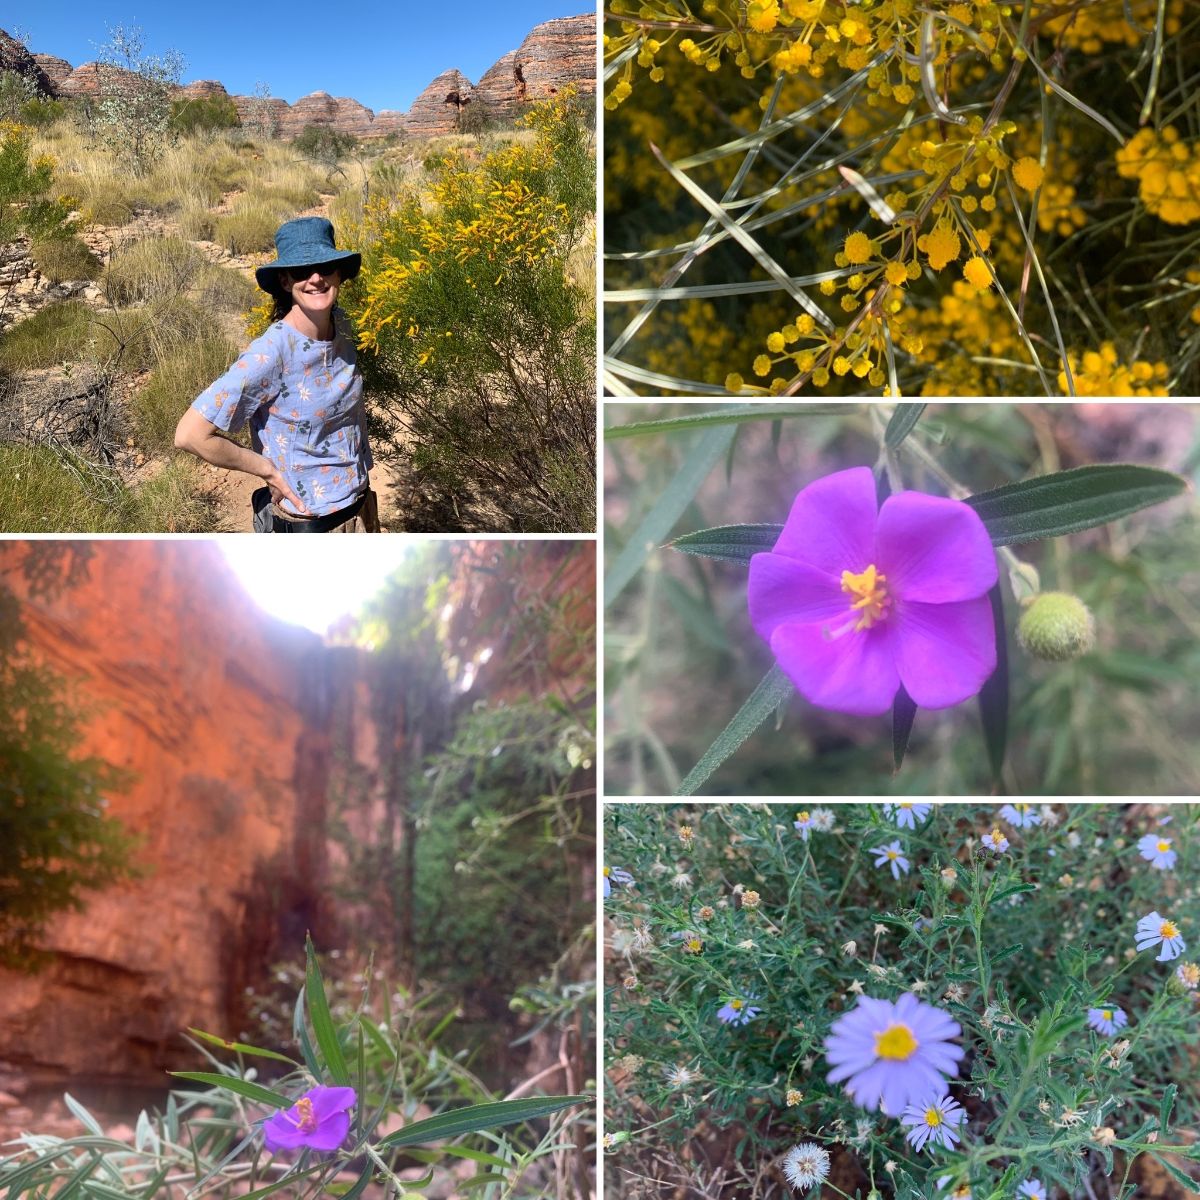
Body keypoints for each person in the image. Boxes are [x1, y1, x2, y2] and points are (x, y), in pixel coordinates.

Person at [174, 216, 381, 532]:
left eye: (325, 267)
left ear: (339, 274)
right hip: (312, 524)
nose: (315, 278)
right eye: (301, 271)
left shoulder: (345, 326)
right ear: (286, 282)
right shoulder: (272, 352)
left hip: (360, 505)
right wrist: (267, 471)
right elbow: (190, 434)